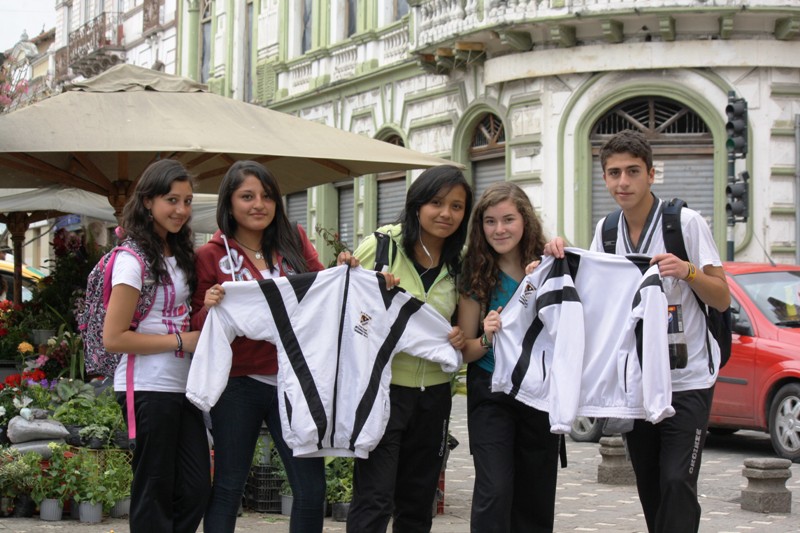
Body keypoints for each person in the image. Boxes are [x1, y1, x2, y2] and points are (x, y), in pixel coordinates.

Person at [546, 129, 730, 533]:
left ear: (651, 174)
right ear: (605, 178)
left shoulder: (685, 223)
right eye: (613, 173)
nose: (622, 182)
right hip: (637, 381)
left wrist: (688, 271)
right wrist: (555, 258)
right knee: (649, 485)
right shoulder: (606, 231)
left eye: (632, 171)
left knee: (677, 480)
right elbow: (594, 300)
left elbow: (722, 298)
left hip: (688, 378)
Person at [193, 160, 358, 533]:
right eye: (247, 196)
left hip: (296, 382)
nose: (259, 205)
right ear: (229, 203)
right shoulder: (209, 256)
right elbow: (199, 329)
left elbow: (322, 292)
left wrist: (345, 269)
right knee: (229, 486)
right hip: (237, 384)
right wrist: (210, 307)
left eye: (267, 196)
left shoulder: (293, 241)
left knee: (311, 488)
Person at [345, 165, 471, 533]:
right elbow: (345, 305)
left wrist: (460, 338)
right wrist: (353, 273)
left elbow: (463, 328)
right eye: (436, 202)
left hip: (433, 397)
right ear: (416, 204)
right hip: (383, 393)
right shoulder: (383, 245)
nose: (446, 213)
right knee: (375, 498)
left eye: (457, 206)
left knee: (418, 503)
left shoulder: (459, 262)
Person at [102, 159, 210, 533]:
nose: (181, 210)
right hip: (147, 386)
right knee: (154, 487)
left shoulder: (178, 253)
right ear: (147, 201)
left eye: (187, 201)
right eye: (171, 200)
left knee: (197, 487)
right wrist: (182, 340)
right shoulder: (132, 261)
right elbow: (113, 337)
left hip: (185, 385)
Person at [457, 182, 561, 533]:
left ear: (525, 220)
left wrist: (555, 268)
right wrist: (486, 336)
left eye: (508, 219)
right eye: (489, 221)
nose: (499, 229)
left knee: (536, 492)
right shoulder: (475, 274)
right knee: (495, 489)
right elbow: (467, 351)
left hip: (540, 390)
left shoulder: (550, 265)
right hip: (491, 392)